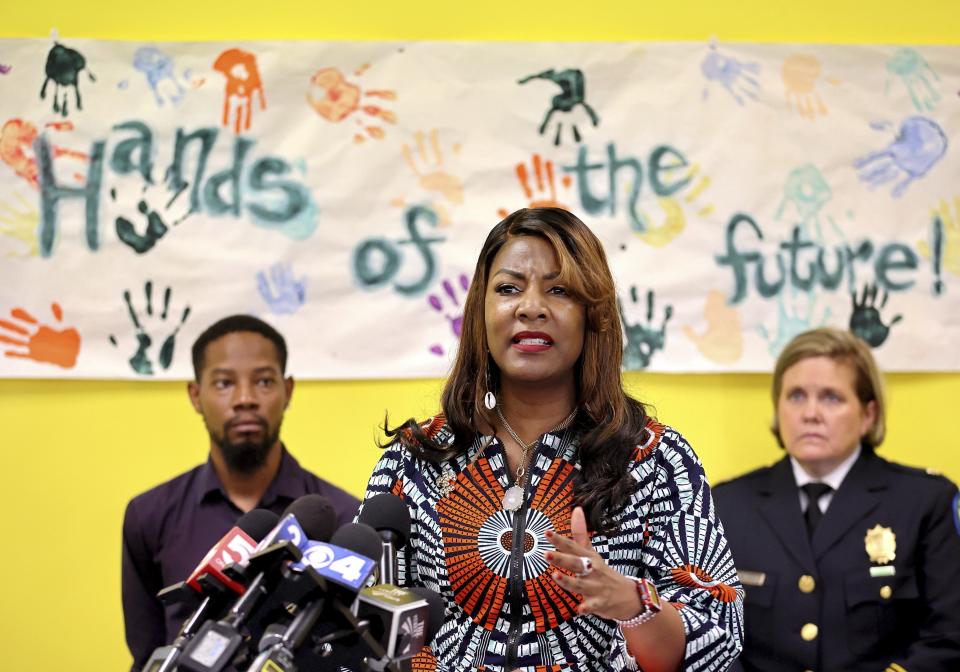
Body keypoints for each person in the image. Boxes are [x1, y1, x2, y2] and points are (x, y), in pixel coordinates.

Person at [360, 208, 743, 672]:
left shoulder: (655, 461)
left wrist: (630, 603)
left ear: (592, 316)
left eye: (558, 290)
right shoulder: (415, 461)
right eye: (508, 288)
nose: (531, 307)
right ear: (480, 312)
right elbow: (361, 632)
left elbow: (718, 638)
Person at [121, 314, 360, 671]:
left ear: (288, 390)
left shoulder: (343, 518)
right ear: (195, 395)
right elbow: (147, 653)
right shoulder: (150, 515)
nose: (245, 398)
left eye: (264, 381)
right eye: (223, 383)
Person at [713, 327, 960, 672]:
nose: (810, 413)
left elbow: (947, 639)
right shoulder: (726, 505)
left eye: (831, 397)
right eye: (796, 396)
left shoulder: (924, 503)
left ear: (868, 414)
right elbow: (711, 638)